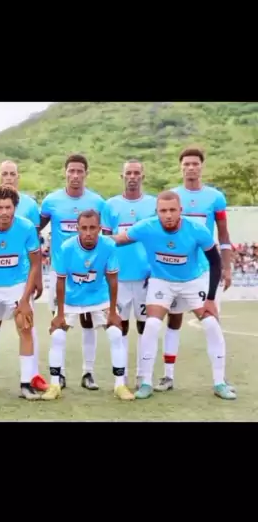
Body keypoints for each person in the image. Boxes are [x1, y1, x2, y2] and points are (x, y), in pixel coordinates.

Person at [111, 191, 236, 401]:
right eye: (163, 210)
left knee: (211, 325)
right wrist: (92, 239)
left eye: (172, 210)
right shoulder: (146, 227)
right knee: (151, 325)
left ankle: (219, 383)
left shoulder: (197, 229)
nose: (168, 215)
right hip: (162, 281)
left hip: (192, 281)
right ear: (156, 212)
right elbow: (119, 239)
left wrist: (210, 298)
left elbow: (215, 262)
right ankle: (146, 382)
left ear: (181, 211)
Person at [155, 147, 233, 392]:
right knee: (174, 319)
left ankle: (220, 380)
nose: (190, 167)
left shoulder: (215, 198)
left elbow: (223, 235)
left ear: (201, 166)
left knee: (211, 320)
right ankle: (168, 376)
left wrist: (227, 267)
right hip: (176, 270)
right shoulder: (172, 196)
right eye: (186, 164)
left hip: (205, 269)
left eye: (195, 163)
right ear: (181, 167)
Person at [41, 210, 135, 401]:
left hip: (99, 298)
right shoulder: (67, 248)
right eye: (84, 228)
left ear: (100, 229)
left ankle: (120, 385)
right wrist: (60, 314)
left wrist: (113, 311)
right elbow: (60, 281)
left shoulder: (108, 245)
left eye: (93, 228)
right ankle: (54, 384)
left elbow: (113, 279)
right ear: (77, 229)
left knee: (116, 333)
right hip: (71, 299)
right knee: (57, 335)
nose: (88, 233)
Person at [0, 159, 47, 393]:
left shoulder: (29, 208)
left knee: (26, 324)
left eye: (12, 173)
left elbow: (35, 248)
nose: (8, 177)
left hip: (19, 279)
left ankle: (32, 376)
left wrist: (36, 281)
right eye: (4, 173)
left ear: (18, 177)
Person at [39, 154, 105, 389]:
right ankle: (60, 374)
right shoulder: (51, 201)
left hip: (89, 273)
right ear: (65, 172)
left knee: (88, 321)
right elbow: (35, 230)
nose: (75, 175)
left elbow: (105, 237)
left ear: (86, 173)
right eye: (71, 171)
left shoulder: (98, 202)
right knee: (59, 322)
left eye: (80, 171)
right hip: (61, 273)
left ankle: (88, 373)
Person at [101, 160, 156, 388]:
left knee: (145, 327)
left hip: (146, 277)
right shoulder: (110, 205)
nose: (132, 177)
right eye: (128, 173)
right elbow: (105, 242)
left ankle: (143, 377)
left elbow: (157, 240)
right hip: (119, 278)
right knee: (119, 327)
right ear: (122, 176)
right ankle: (120, 377)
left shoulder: (153, 204)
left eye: (136, 173)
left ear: (143, 176)